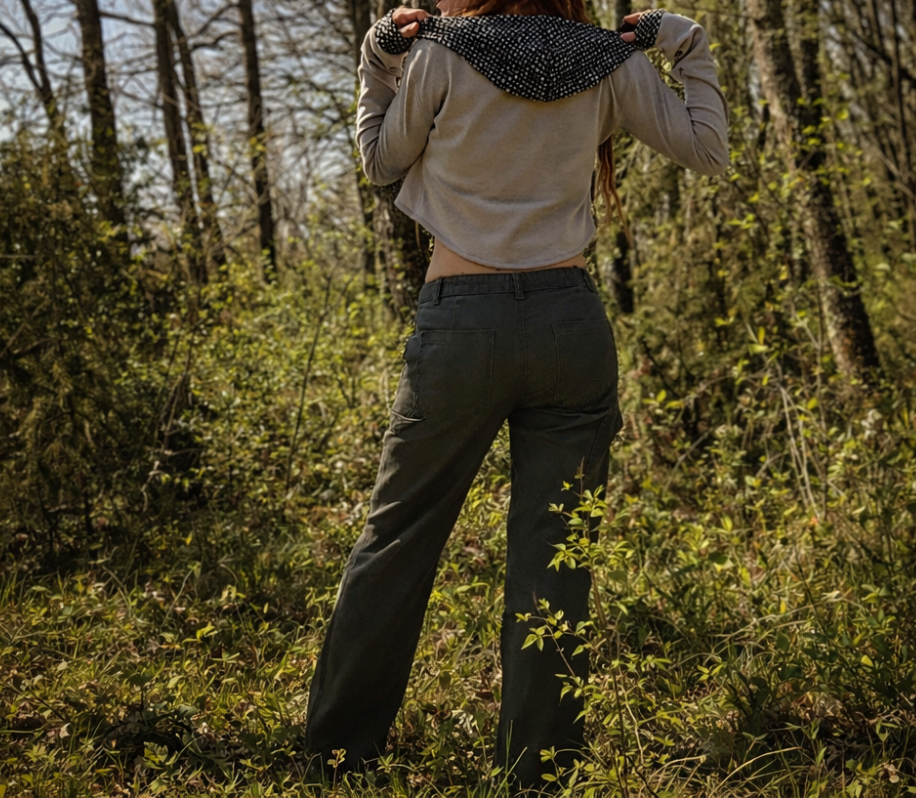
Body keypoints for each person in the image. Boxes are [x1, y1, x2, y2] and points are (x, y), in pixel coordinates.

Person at [305, 0, 728, 787]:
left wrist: (377, 60)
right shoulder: (607, 59)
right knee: (557, 558)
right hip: (570, 328)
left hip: (462, 327)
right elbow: (707, 149)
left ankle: (337, 759)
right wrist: (683, 40)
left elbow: (379, 162)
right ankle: (539, 776)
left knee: (398, 540)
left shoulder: (441, 52)